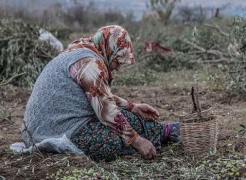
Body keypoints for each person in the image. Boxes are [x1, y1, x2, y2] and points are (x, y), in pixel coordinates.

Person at [21, 25, 180, 162]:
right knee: (108, 143)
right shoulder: (89, 63)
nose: (117, 68)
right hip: (48, 132)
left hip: (54, 124)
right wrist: (136, 141)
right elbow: (106, 110)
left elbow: (98, 95)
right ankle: (158, 136)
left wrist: (132, 107)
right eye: (118, 61)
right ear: (109, 48)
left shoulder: (81, 50)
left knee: (127, 118)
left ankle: (164, 132)